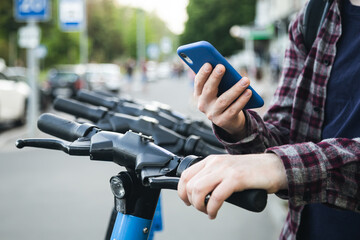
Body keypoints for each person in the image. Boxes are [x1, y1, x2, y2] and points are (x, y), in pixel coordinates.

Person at [177, 0, 360, 239]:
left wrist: (280, 166)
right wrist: (238, 125)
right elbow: (285, 131)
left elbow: (281, 162)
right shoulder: (313, 16)